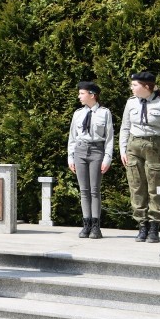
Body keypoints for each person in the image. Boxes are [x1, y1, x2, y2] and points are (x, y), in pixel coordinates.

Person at [119, 71, 160, 243]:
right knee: (136, 186)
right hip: (133, 145)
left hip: (155, 146)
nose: (132, 87)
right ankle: (142, 225)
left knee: (155, 186)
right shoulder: (130, 103)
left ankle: (154, 226)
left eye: (135, 85)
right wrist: (122, 149)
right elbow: (125, 127)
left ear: (146, 87)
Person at [67, 81, 114, 239]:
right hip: (80, 150)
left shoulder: (104, 113)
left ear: (92, 95)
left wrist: (107, 157)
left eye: (82, 93)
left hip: (96, 151)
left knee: (95, 190)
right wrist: (70, 156)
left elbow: (109, 138)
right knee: (84, 190)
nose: (79, 96)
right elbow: (72, 137)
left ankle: (96, 226)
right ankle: (86, 224)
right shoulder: (78, 113)